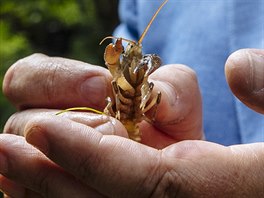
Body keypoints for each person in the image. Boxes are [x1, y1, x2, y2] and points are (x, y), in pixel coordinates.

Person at [0, 0, 263, 197]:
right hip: (133, 138)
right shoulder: (137, 4)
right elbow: (112, 76)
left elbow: (159, 83)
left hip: (140, 125)